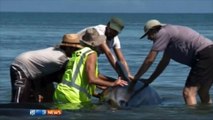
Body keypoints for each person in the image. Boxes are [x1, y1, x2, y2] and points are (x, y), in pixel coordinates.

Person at [132, 19, 213, 105]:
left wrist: (136, 77)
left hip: (204, 54)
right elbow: (163, 63)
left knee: (188, 92)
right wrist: (150, 80)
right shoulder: (170, 38)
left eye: (148, 34)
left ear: (153, 30)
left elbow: (149, 59)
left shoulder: (162, 33)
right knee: (202, 92)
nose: (148, 38)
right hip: (209, 52)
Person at [54, 28, 128, 109]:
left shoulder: (77, 53)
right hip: (73, 98)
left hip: (61, 93)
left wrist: (115, 81)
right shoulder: (91, 54)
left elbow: (94, 75)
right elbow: (92, 79)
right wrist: (113, 84)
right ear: (95, 44)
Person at [10, 34, 83, 103]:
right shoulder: (61, 58)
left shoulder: (58, 52)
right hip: (21, 66)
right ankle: (14, 108)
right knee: (20, 98)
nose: (77, 51)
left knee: (36, 97)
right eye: (76, 49)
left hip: (37, 70)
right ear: (68, 48)